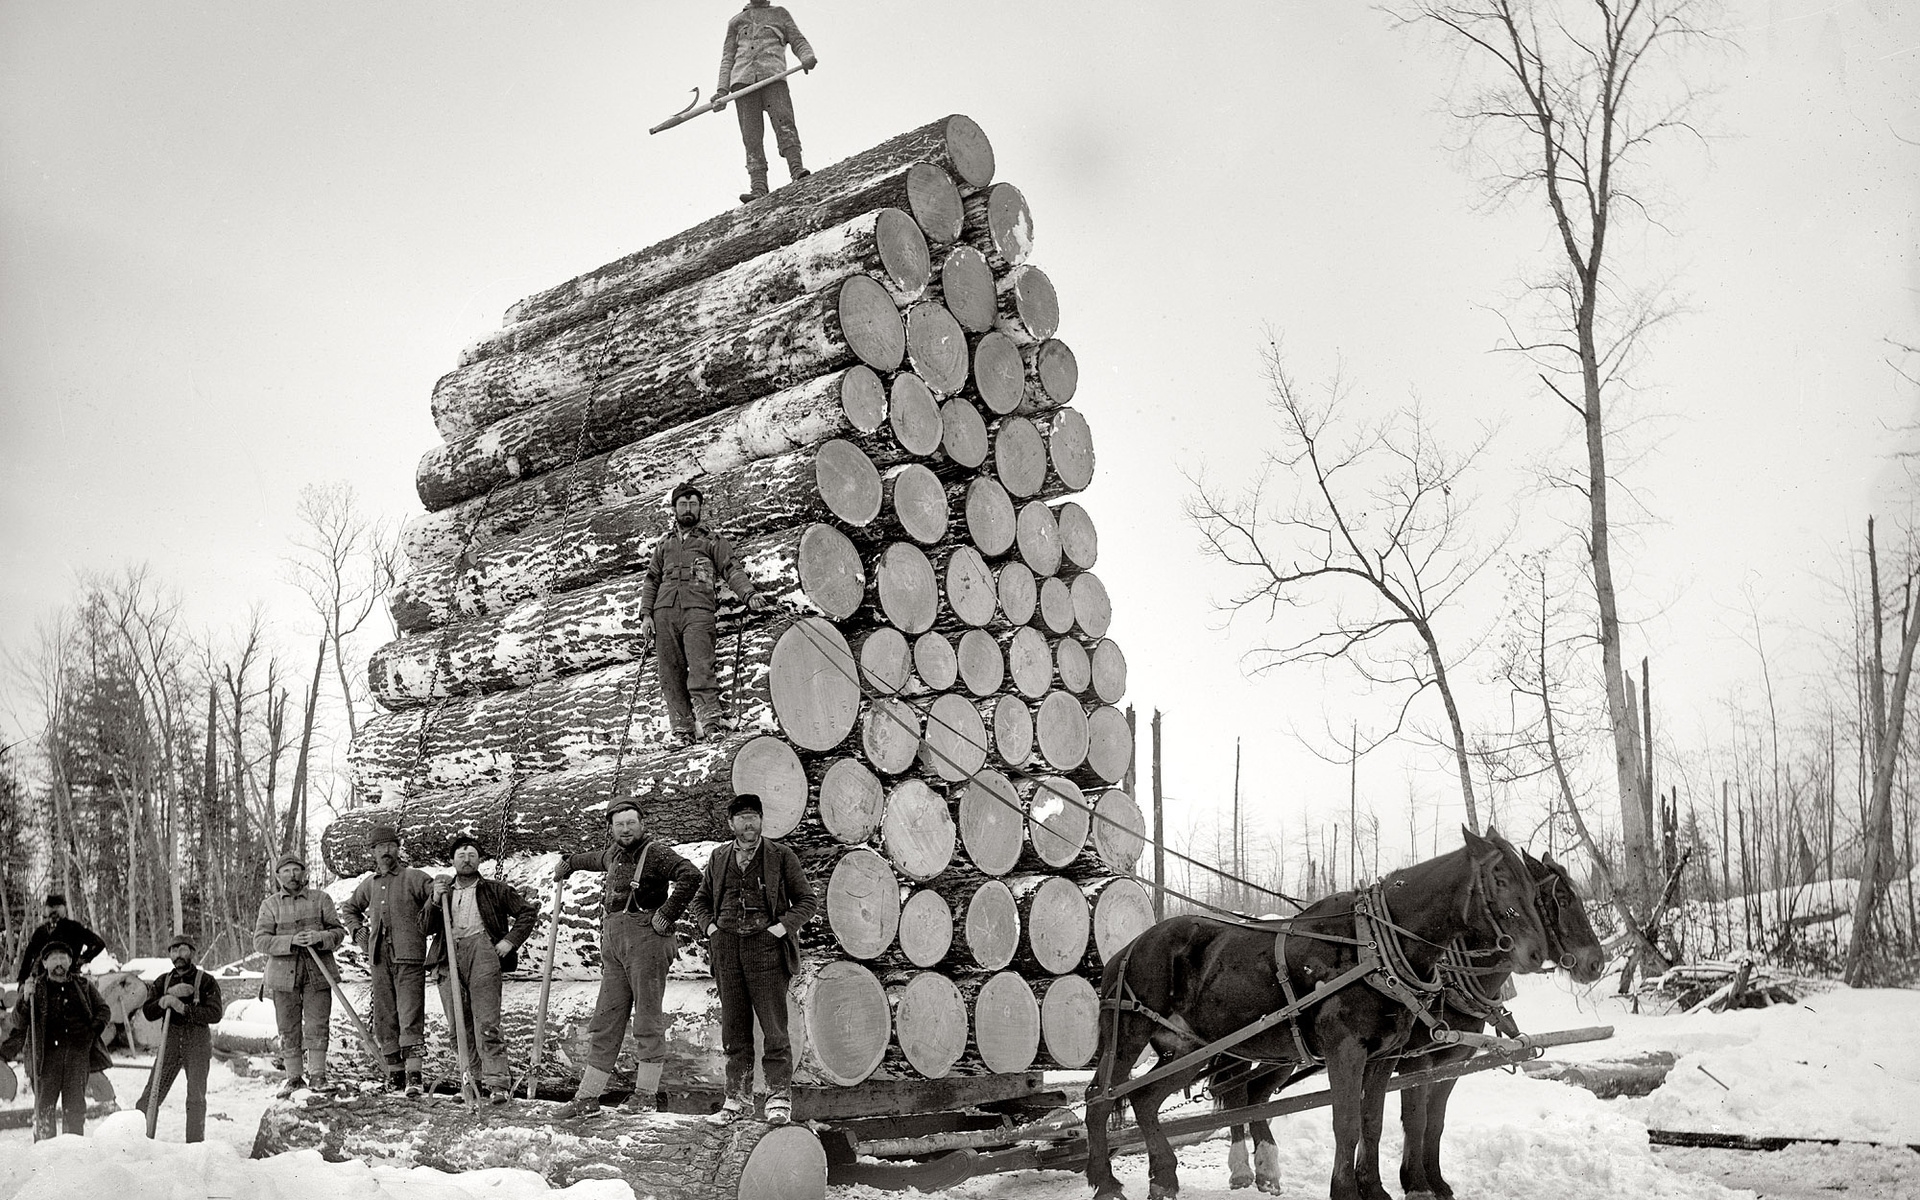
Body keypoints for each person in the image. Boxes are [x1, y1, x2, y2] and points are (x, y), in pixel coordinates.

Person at [550, 799, 702, 1118]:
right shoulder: (613, 855)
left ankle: (645, 1094)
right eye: (619, 824)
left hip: (646, 938)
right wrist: (569, 862)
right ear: (612, 828)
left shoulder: (656, 852)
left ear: (641, 823)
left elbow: (691, 876)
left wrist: (666, 914)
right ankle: (588, 1096)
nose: (626, 829)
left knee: (647, 1017)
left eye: (631, 822)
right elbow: (592, 859)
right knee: (606, 1018)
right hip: (614, 942)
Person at [686, 792, 816, 1126]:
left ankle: (778, 1097)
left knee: (774, 1028)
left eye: (754, 816)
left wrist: (780, 929)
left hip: (766, 950)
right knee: (734, 1030)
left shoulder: (780, 856)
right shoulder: (718, 858)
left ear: (761, 820)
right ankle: (737, 1098)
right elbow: (700, 901)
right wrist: (712, 929)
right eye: (742, 817)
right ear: (731, 823)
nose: (749, 823)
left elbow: (806, 901)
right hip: (728, 950)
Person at [640, 482, 772, 746]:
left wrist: (748, 594)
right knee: (670, 673)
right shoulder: (664, 544)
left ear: (700, 508)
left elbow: (731, 569)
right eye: (683, 504)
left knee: (701, 668)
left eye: (693, 504)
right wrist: (646, 614)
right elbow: (652, 579)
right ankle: (682, 731)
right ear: (674, 509)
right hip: (664, 613)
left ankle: (711, 724)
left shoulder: (712, 540)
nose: (688, 509)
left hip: (698, 613)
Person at [425, 833, 539, 1105]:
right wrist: (433, 901)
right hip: (448, 957)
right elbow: (424, 928)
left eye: (472, 855)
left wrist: (509, 942)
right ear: (452, 861)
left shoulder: (495, 889)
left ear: (479, 860)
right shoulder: (443, 892)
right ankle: (470, 1081)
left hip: (484, 954)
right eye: (461, 855)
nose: (466, 859)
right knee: (458, 1026)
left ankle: (497, 1083)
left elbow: (527, 912)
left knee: (486, 1022)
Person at [340, 825, 437, 1096]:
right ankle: (394, 1075)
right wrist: (358, 931)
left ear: (398, 848)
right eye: (380, 847)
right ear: (372, 852)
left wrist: (438, 890)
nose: (386, 851)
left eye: (390, 846)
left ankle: (414, 1077)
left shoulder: (413, 877)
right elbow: (350, 908)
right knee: (385, 1018)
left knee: (410, 1015)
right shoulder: (370, 884)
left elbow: (435, 892)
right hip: (379, 960)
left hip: (409, 957)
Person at [252, 852, 346, 1098]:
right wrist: (290, 941)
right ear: (278, 876)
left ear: (304, 873)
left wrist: (320, 938)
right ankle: (293, 1078)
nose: (292, 876)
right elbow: (260, 941)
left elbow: (338, 932)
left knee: (317, 1023)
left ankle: (318, 1075)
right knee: (288, 1026)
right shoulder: (270, 905)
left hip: (318, 973)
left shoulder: (321, 899)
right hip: (283, 977)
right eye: (286, 871)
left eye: (296, 870)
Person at [1, 941, 112, 1140]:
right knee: (44, 1109)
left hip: (77, 1058)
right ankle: (45, 1154)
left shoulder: (83, 985)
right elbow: (18, 1021)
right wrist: (25, 998)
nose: (58, 963)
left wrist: (92, 1030)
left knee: (75, 1109)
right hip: (45, 1059)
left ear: (70, 962)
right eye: (53, 958)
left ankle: (72, 1151)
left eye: (63, 958)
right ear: (44, 963)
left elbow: (103, 1010)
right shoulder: (35, 987)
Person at [712, 1, 817, 204]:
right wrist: (721, 91)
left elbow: (798, 40)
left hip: (773, 78)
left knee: (784, 123)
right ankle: (759, 187)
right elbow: (727, 58)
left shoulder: (780, 14)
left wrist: (807, 56)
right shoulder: (736, 22)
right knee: (751, 136)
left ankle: (797, 170)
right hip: (742, 84)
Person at [133, 932, 223, 1141]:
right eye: (174, 950)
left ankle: (194, 1146)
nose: (178, 954)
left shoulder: (207, 981)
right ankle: (139, 1139)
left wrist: (184, 1009)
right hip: (170, 1042)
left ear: (192, 953)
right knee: (152, 1093)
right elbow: (148, 1011)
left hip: (197, 1043)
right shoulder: (162, 981)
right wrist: (163, 1001)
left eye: (183, 949)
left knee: (196, 1097)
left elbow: (215, 1014)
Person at [14, 894, 108, 986]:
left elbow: (99, 944)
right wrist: (22, 979)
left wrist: (81, 960)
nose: (53, 917)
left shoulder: (74, 928)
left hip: (69, 979)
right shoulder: (41, 932)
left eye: (56, 911)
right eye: (51, 912)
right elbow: (28, 956)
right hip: (43, 981)